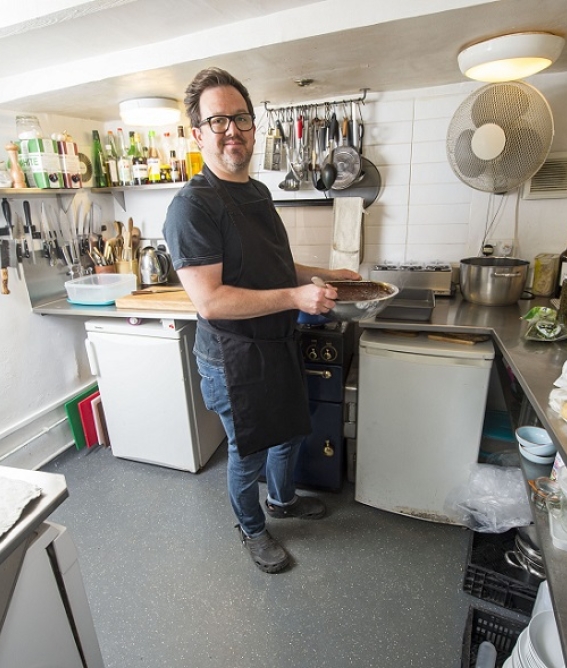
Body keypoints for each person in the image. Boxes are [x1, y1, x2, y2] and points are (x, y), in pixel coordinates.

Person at [162, 67, 361, 574]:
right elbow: (210, 302)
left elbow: (275, 268)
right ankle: (252, 529)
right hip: (233, 357)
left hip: (275, 341)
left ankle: (282, 500)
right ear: (198, 132)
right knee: (248, 451)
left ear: (254, 126)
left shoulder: (259, 192)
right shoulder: (191, 207)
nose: (233, 130)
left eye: (242, 118)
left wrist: (323, 272)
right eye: (219, 120)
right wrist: (296, 295)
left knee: (290, 433)